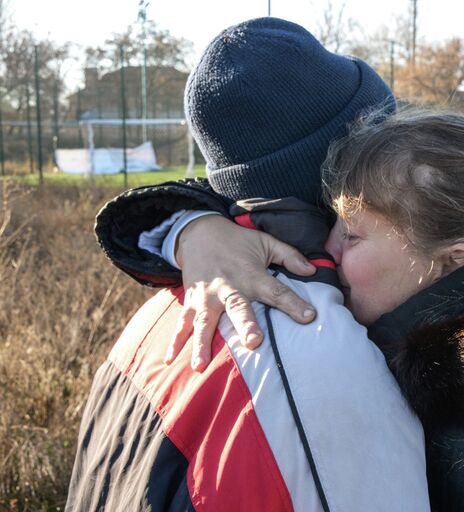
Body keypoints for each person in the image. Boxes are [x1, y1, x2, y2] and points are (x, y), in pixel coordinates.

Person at [96, 107, 464, 510]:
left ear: (453, 261)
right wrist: (192, 227)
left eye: (351, 236)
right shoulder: (434, 365)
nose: (326, 253)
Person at [67, 18, 430, 512]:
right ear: (347, 168)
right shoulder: (324, 357)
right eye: (382, 134)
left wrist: (186, 227)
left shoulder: (162, 309)